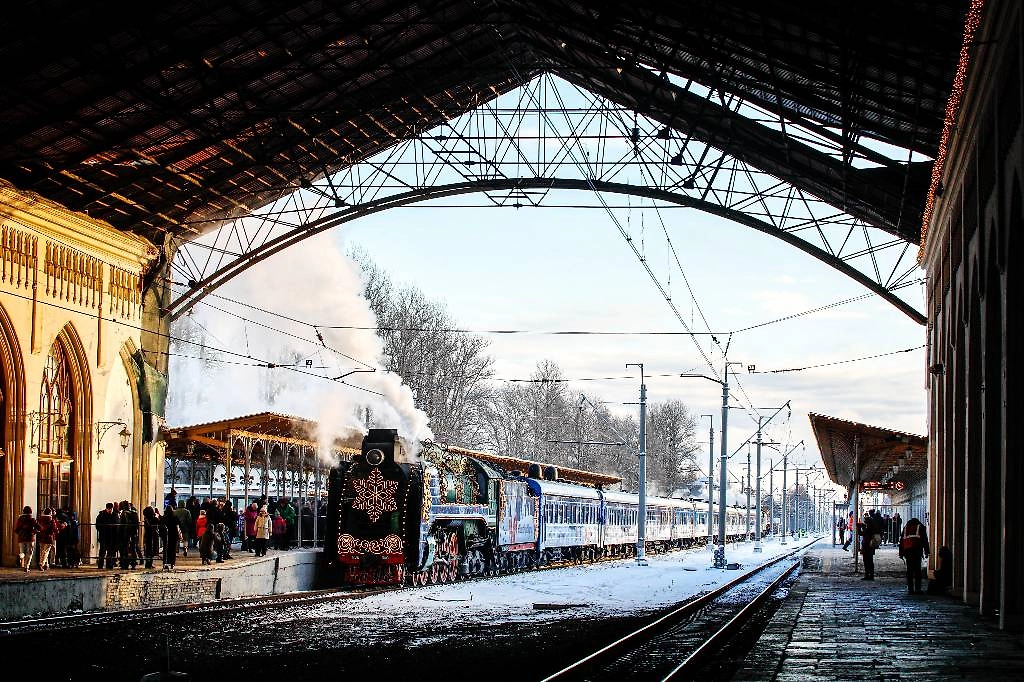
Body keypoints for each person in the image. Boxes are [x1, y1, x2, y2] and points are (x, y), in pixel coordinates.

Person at [899, 517, 930, 594]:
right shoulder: (920, 527)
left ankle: (910, 589)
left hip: (907, 552)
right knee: (917, 571)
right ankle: (918, 589)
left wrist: (901, 553)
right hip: (917, 551)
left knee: (909, 571)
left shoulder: (906, 528)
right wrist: (927, 551)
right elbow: (924, 540)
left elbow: (901, 541)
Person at [14, 505, 42, 572]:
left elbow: (16, 529)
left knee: (22, 551)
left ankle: (20, 556)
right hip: (30, 538)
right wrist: (35, 531)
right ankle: (26, 567)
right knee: (29, 553)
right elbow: (40, 528)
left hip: (21, 538)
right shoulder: (32, 520)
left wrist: (20, 533)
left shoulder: (20, 520)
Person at [95, 502, 118, 569]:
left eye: (110, 509)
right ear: (106, 508)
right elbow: (98, 525)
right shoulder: (101, 515)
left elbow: (117, 524)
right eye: (108, 509)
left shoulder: (114, 515)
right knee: (103, 550)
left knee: (110, 551)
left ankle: (109, 564)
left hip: (111, 536)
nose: (110, 510)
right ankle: (100, 565)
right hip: (104, 535)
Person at [162, 503, 181, 570]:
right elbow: (178, 526)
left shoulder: (164, 517)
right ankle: (172, 563)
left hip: (166, 535)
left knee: (166, 549)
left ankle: (165, 562)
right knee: (173, 550)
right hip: (174, 535)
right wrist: (179, 534)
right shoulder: (175, 517)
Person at [858, 512, 876, 580]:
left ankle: (868, 575)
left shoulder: (868, 528)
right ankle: (871, 575)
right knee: (870, 561)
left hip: (867, 546)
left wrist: (859, 527)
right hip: (871, 546)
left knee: (866, 561)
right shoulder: (872, 527)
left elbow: (861, 533)